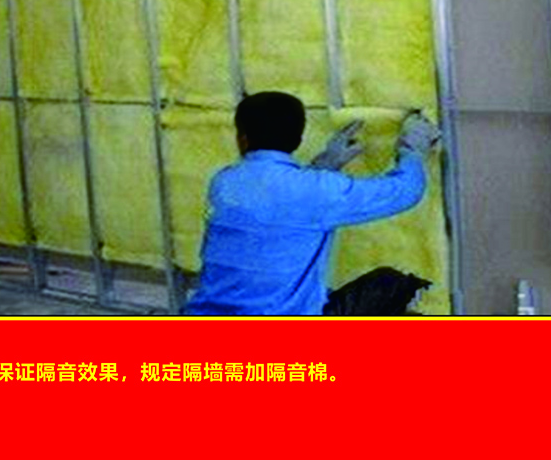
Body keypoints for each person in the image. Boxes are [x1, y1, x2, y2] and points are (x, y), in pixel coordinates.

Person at [183, 91, 441, 317]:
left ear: (242, 137)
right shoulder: (316, 191)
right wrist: (412, 150)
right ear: (298, 139)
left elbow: (277, 201)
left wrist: (324, 166)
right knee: (390, 284)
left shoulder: (224, 182)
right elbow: (404, 191)